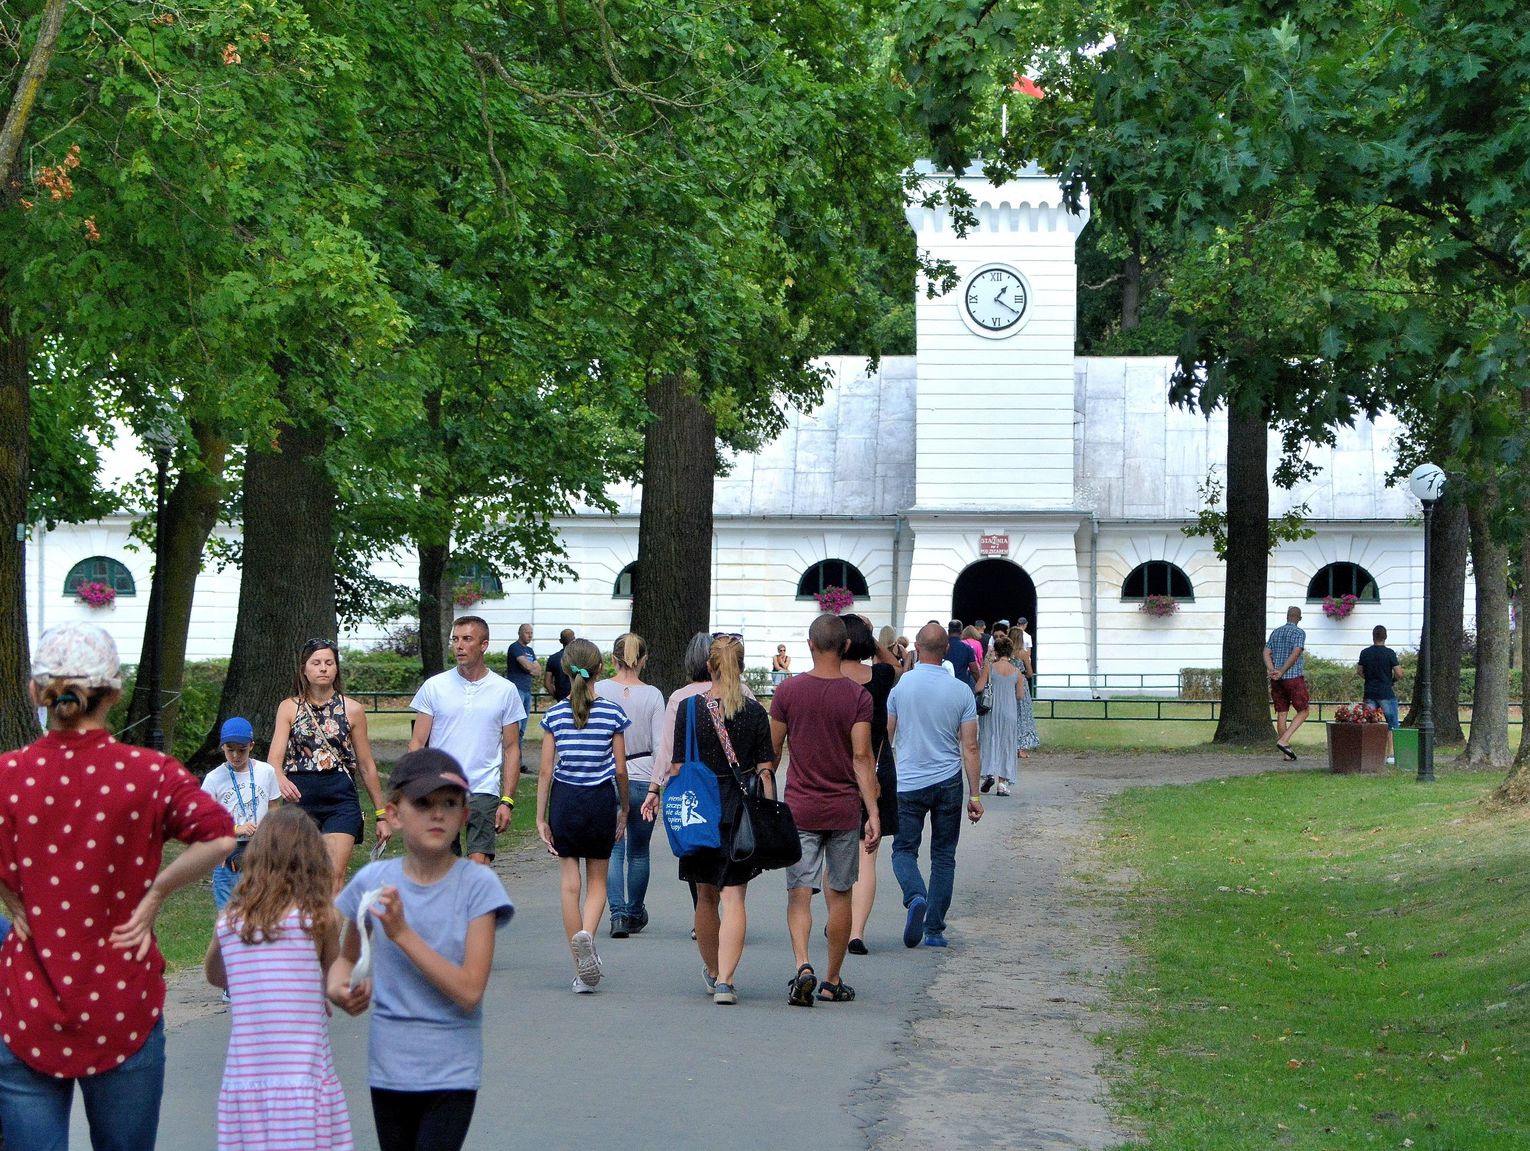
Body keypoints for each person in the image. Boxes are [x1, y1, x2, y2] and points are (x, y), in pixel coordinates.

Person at [0, 622, 236, 1151]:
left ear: (37, 691)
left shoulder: (9, 774)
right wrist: (156, 893)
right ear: (114, 692)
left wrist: (8, 894)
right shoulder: (147, 773)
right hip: (121, 1000)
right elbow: (220, 838)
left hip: (28, 1004)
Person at [329, 749, 513, 1151]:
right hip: (389, 1069)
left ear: (465, 815)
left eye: (450, 803)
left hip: (451, 1073)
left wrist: (401, 934)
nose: (438, 814)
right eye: (424, 803)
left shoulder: (478, 886)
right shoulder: (373, 881)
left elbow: (469, 990)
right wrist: (341, 990)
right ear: (393, 815)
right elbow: (343, 960)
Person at [204, 807, 352, 1151]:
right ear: (313, 861)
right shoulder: (319, 918)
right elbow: (334, 979)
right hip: (304, 1075)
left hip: (247, 1078)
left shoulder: (231, 922)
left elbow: (215, 975)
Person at [641, 635, 776, 1005]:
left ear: (708, 666)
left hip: (698, 808)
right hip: (738, 809)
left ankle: (714, 969)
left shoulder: (688, 708)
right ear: (742, 665)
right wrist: (769, 814)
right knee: (734, 896)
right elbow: (765, 769)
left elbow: (678, 765)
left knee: (705, 895)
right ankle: (726, 982)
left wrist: (656, 792)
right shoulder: (754, 712)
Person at [769, 613, 879, 1006]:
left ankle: (803, 965)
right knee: (840, 893)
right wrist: (874, 814)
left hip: (800, 806)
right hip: (843, 810)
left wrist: (768, 794)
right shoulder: (858, 697)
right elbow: (862, 758)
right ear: (847, 646)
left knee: (800, 892)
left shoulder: (788, 692)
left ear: (810, 646)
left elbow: (772, 751)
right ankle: (833, 979)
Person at [535, 638, 630, 992]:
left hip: (565, 800)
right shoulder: (612, 713)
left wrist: (541, 818)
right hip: (600, 800)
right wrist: (624, 807)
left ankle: (580, 968)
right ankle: (588, 934)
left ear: (563, 669)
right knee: (598, 882)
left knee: (569, 882)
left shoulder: (554, 715)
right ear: (600, 669)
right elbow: (621, 769)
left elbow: (546, 771)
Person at [887, 621, 985, 949]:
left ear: (916, 648)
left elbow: (887, 737)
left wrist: (880, 780)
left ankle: (915, 895)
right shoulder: (960, 691)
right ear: (946, 650)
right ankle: (934, 929)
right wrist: (975, 794)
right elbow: (969, 746)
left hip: (909, 781)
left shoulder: (900, 688)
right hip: (947, 781)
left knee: (903, 849)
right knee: (943, 855)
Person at [269, 639, 392, 893]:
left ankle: (328, 934)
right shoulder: (289, 707)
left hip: (340, 798)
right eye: (316, 663)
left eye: (329, 662)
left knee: (334, 877)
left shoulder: (353, 709)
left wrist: (381, 815)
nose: (323, 668)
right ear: (304, 669)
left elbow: (367, 765)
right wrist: (280, 778)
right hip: (301, 796)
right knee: (302, 878)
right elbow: (274, 758)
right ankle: (305, 931)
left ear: (336, 669)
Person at [408, 616, 526, 864]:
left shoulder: (504, 690)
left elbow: (512, 748)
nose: (459, 646)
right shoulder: (434, 687)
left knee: (478, 864)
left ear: (483, 645)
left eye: (467, 639)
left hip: (484, 787)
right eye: (455, 639)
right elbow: (418, 743)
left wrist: (507, 800)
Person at [839, 615, 901, 955]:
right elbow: (896, 664)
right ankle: (856, 932)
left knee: (835, 851)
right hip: (876, 768)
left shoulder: (828, 680)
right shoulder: (879, 677)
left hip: (835, 772)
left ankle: (838, 918)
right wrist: (873, 638)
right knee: (867, 856)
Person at [598, 633, 665, 938]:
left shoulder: (598, 690)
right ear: (643, 660)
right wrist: (656, 785)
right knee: (639, 851)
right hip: (641, 774)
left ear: (613, 659)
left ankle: (616, 914)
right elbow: (660, 744)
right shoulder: (652, 695)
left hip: (606, 774)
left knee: (613, 848)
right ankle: (635, 911)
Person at [202, 716, 282, 911]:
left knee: (260, 912)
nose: (236, 756)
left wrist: (271, 835)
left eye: (242, 750)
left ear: (251, 746)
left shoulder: (266, 772)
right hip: (227, 853)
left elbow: (274, 806)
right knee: (228, 916)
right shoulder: (214, 778)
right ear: (222, 747)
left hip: (259, 850)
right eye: (230, 750)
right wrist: (237, 829)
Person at [978, 635, 1024, 797]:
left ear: (995, 651)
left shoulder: (990, 668)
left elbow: (978, 687)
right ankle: (1002, 784)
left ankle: (989, 773)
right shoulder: (1016, 671)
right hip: (1009, 711)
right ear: (1010, 651)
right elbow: (1020, 695)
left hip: (992, 711)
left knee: (989, 740)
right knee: (1007, 744)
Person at [1264, 606, 1310, 760]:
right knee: (1303, 711)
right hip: (1293, 677)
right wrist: (1283, 670)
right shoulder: (1299, 632)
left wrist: (1273, 670)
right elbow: (1296, 652)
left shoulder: (1276, 632)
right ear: (1299, 618)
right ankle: (1284, 741)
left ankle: (1287, 755)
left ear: (1287, 616)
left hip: (1277, 680)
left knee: (1282, 712)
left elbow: (1266, 652)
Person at [1358, 625, 1404, 764]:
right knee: (1392, 724)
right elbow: (1399, 673)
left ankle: (1370, 753)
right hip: (1386, 692)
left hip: (1370, 692)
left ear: (1373, 636)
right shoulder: (1389, 653)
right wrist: (1393, 680)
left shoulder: (1365, 653)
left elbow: (1359, 671)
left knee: (1369, 723)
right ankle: (1390, 755)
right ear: (1385, 637)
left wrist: (1368, 677)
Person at [506, 623, 541, 753]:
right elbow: (527, 666)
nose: (530, 635)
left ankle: (519, 761)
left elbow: (538, 671)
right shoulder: (515, 647)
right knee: (516, 726)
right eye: (527, 632)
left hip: (527, 690)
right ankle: (512, 758)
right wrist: (530, 667)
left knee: (522, 729)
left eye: (531, 633)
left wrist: (531, 667)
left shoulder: (530, 650)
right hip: (517, 690)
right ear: (520, 633)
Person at [543, 628, 576, 704]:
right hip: (578, 696)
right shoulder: (580, 657)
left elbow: (547, 683)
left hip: (561, 697)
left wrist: (557, 696)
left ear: (560, 641)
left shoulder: (553, 658)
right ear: (574, 640)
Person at [944, 619, 978, 688]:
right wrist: (980, 684)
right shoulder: (967, 648)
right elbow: (974, 670)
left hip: (944, 684)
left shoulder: (942, 647)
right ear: (961, 632)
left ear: (948, 632)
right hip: (962, 685)